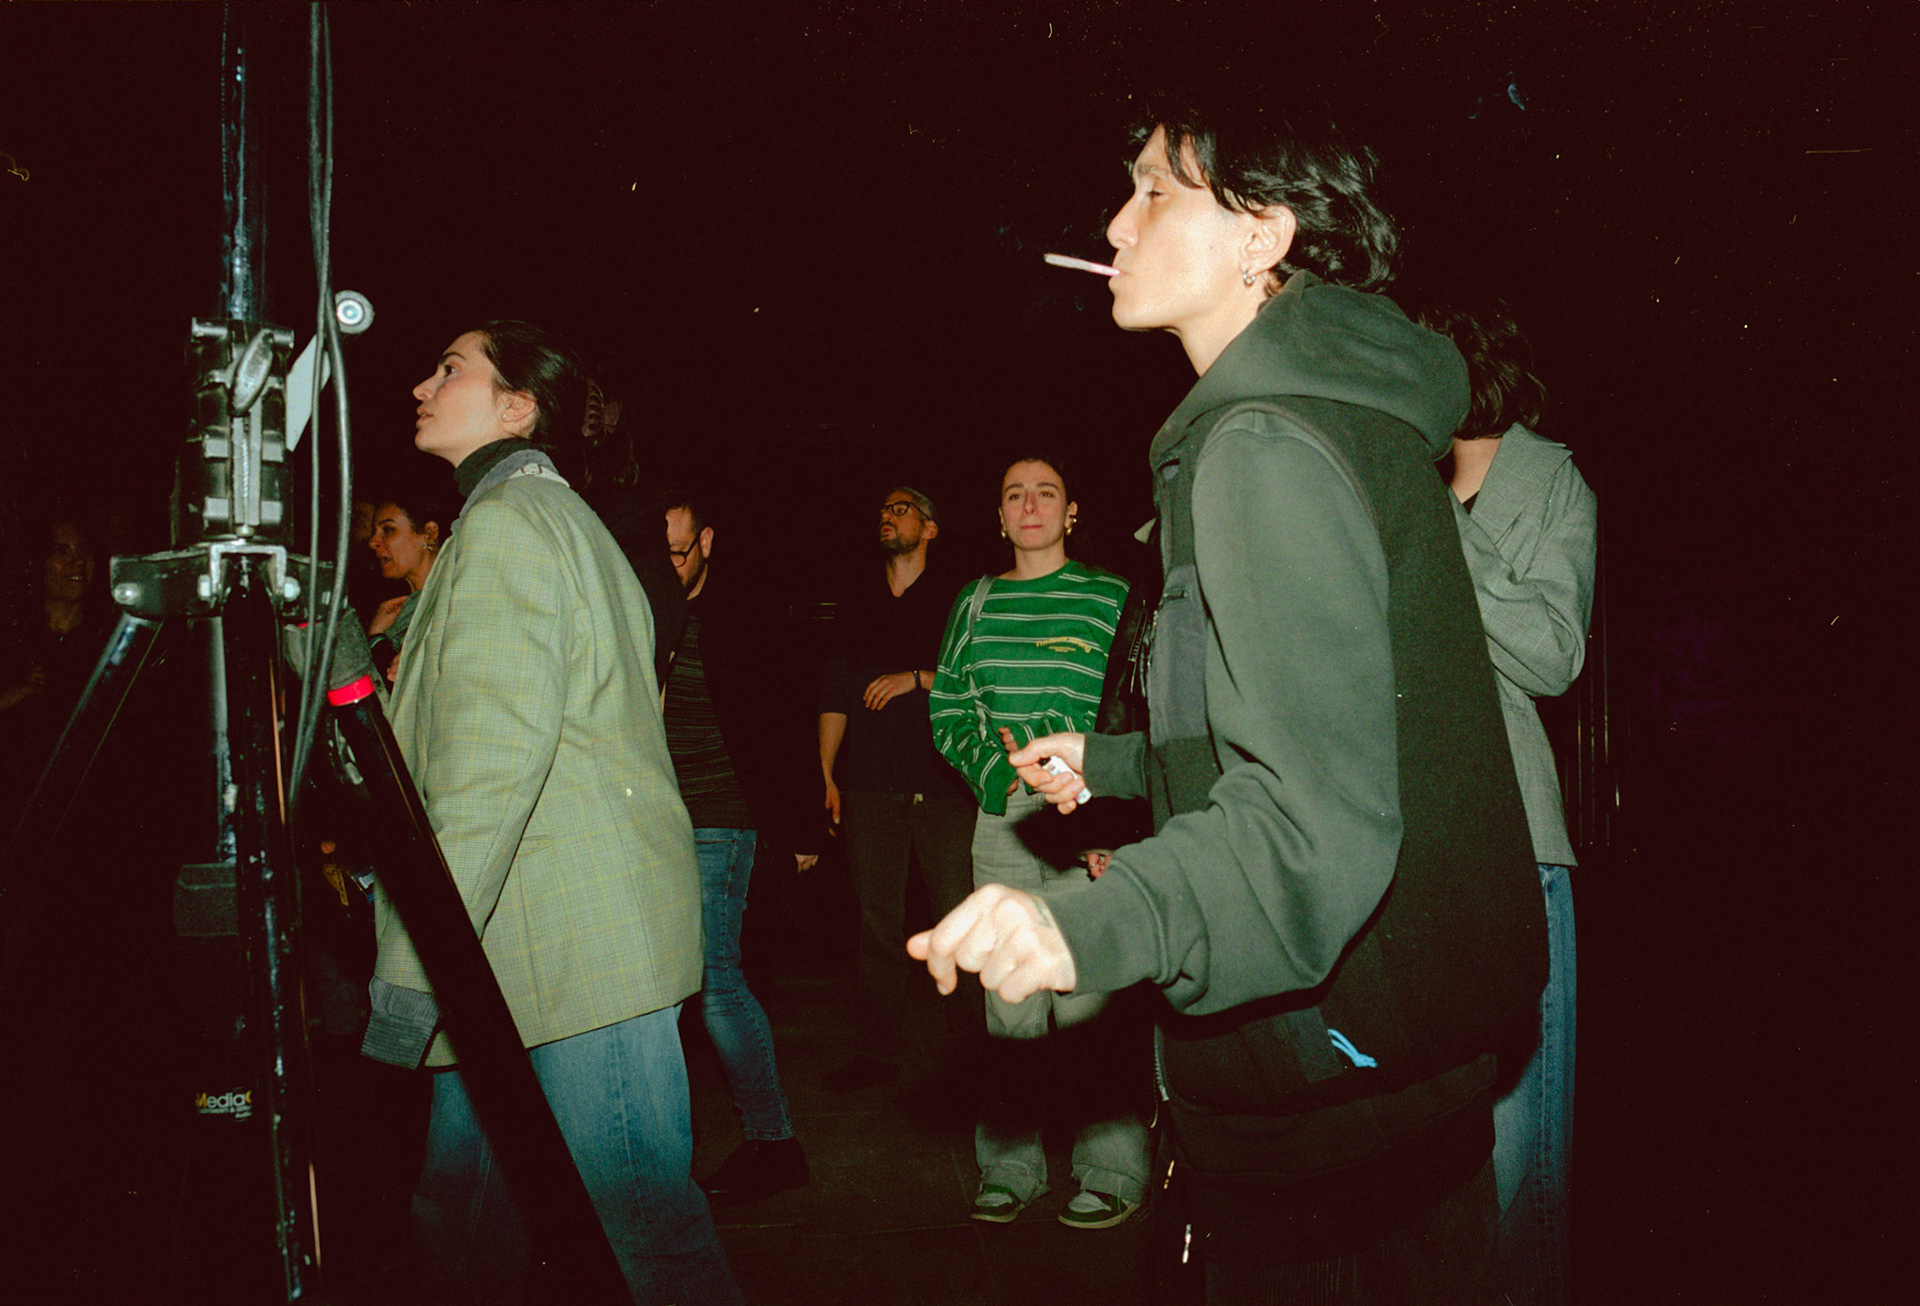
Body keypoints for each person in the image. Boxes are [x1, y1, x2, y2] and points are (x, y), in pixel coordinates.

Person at [910, 95, 1545, 1302]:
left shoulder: (1263, 442)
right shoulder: (1331, 418)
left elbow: (1313, 817)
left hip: (1333, 1084)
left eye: (1154, 191)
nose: (1117, 222)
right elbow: (1334, 723)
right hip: (1395, 1069)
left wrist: (1083, 925)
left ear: (1264, 235)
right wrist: (1119, 762)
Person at [369, 319, 738, 1304]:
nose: (422, 385)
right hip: (526, 949)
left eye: (450, 368)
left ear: (517, 406)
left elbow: (488, 767)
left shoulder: (510, 525)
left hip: (577, 953)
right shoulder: (545, 516)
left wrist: (409, 971)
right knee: (463, 1218)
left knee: (644, 1228)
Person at [1420, 299, 1596, 1306]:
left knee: (1518, 1147)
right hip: (1399, 841)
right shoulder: (1383, 466)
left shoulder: (1550, 481)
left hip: (1514, 839)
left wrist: (1436, 519)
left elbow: (1553, 654)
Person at [926, 456, 1146, 1228]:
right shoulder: (975, 600)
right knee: (1009, 1002)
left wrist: (1112, 820)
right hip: (1005, 822)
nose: (1030, 505)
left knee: (1091, 999)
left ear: (1071, 511)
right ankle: (1010, 1165)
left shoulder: (1111, 596)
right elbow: (949, 705)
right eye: (1014, 494)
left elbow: (1131, 710)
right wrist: (995, 776)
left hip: (1090, 816)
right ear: (998, 517)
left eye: (1045, 493)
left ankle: (1112, 1167)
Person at [658, 490, 818, 1206]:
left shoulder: (740, 615)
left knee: (717, 980)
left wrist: (801, 827)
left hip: (719, 819)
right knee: (674, 988)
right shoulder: (650, 613)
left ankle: (774, 1143)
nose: (668, 565)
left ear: (707, 543)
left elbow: (784, 717)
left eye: (678, 552)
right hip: (656, 824)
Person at [817, 486, 977, 1093]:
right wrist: (827, 774)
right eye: (883, 509)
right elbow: (836, 692)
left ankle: (974, 1056)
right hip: (870, 788)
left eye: (901, 508)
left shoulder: (958, 599)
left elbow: (977, 683)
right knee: (876, 926)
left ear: (930, 528)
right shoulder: (859, 599)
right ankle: (877, 1053)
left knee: (958, 922)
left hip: (943, 787)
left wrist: (917, 678)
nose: (887, 516)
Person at [363, 491, 447, 684]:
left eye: (388, 530)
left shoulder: (451, 602)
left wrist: (376, 638)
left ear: (429, 534)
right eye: (374, 532)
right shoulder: (397, 610)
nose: (373, 542)